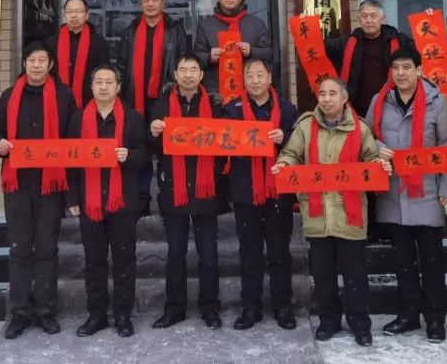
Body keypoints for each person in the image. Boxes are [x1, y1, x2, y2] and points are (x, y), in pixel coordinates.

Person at [272, 76, 387, 348]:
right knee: (323, 274)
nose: (326, 99)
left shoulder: (359, 128)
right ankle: (329, 321)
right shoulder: (305, 126)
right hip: (318, 214)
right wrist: (284, 165)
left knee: (355, 275)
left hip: (350, 214)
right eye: (322, 94)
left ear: (344, 98)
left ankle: (360, 324)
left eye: (332, 94)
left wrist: (379, 166)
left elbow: (371, 158)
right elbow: (291, 153)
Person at [0, 43, 77, 339]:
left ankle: (45, 309)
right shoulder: (9, 95)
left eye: (42, 60)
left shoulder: (64, 96)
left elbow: (73, 138)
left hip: (50, 183)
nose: (36, 65)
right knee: (20, 249)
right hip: (17, 184)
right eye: (32, 60)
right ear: (24, 63)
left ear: (50, 65)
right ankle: (20, 311)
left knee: (47, 247)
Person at [367, 46, 447, 343]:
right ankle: (408, 315)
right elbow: (366, 137)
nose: (401, 73)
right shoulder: (380, 101)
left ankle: (435, 319)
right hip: (393, 193)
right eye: (396, 68)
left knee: (431, 261)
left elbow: (445, 145)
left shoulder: (437, 102)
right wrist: (378, 148)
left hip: (427, 191)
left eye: (406, 67)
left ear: (419, 70)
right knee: (403, 262)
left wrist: (446, 188)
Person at [68, 64, 149, 339]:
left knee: (124, 260)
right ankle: (97, 315)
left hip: (123, 201)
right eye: (98, 82)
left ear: (118, 87)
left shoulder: (133, 119)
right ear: (91, 87)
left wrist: (130, 156)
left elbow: (145, 156)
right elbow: (70, 159)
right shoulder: (78, 119)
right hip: (89, 201)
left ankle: (123, 315)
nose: (103, 87)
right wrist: (72, 197)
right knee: (94, 260)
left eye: (109, 82)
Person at [148, 53, 224, 330]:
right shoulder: (161, 105)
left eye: (194, 69)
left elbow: (226, 144)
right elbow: (152, 148)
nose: (188, 74)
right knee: (175, 253)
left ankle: (210, 307)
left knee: (209, 254)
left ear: (201, 75)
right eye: (183, 69)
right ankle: (174, 309)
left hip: (205, 190)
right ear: (176, 74)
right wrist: (153, 133)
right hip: (174, 190)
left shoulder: (215, 105)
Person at [222, 57, 298, 331]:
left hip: (278, 193)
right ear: (243, 80)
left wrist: (284, 138)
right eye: (249, 76)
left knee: (279, 253)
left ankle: (283, 306)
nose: (255, 81)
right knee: (249, 254)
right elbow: (222, 144)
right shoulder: (231, 110)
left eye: (259, 75)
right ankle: (250, 308)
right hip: (246, 192)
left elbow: (301, 145)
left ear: (269, 78)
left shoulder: (287, 110)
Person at [117, 0, 189, 215]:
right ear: (141, 4)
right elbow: (122, 66)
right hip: (135, 100)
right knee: (140, 151)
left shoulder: (175, 30)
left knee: (167, 150)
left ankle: (168, 197)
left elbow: (183, 63)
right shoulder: (130, 31)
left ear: (163, 3)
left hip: (166, 99)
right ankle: (142, 199)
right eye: (146, 0)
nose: (150, 3)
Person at [327, 0, 417, 117]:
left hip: (391, 107)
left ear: (382, 19)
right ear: (359, 19)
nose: (368, 20)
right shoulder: (348, 42)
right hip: (356, 110)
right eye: (364, 16)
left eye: (373, 16)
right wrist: (306, 23)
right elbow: (320, 48)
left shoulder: (398, 40)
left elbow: (425, 48)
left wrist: (429, 19)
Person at [193, 0, 272, 98]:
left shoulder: (256, 24)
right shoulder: (206, 25)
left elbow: (268, 53)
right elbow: (196, 57)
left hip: (250, 91)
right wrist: (209, 57)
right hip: (216, 92)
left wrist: (251, 51)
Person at [46, 0, 111, 110]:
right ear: (64, 15)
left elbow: (105, 72)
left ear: (86, 15)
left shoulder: (98, 42)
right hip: (56, 102)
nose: (74, 15)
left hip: (90, 103)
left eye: (78, 11)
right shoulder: (52, 43)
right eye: (70, 12)